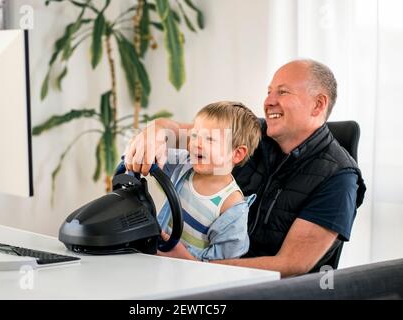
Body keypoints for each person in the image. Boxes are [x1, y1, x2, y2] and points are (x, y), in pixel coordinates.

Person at [125, 59, 366, 277]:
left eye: (282, 92)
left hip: (253, 289)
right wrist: (155, 130)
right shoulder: (252, 133)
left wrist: (192, 265)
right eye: (269, 91)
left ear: (318, 104)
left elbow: (292, 264)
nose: (268, 101)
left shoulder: (339, 177)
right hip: (185, 269)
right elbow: (178, 133)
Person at [153, 101, 261, 261]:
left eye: (209, 139)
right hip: (156, 260)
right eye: (195, 135)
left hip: (193, 278)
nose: (197, 143)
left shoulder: (231, 206)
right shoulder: (184, 163)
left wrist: (186, 258)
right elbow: (151, 156)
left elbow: (223, 265)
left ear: (237, 154)